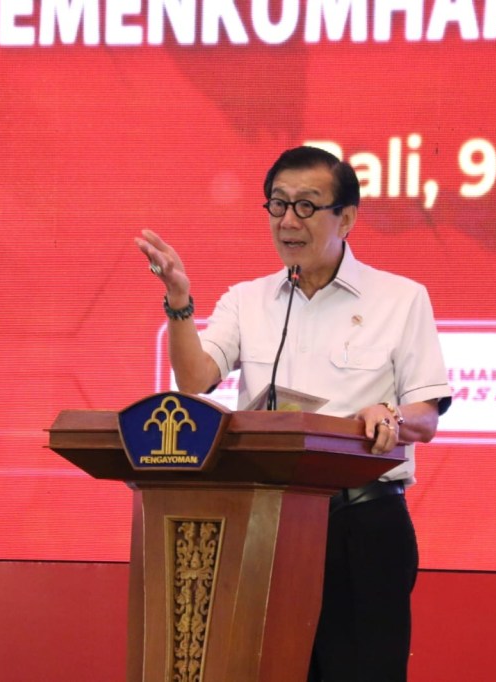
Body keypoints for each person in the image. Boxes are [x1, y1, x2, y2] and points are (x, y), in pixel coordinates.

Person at [135, 146, 452, 681]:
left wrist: (391, 416)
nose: (287, 221)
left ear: (346, 219)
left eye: (306, 206)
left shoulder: (400, 298)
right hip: (262, 526)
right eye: (278, 205)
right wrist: (180, 300)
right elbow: (194, 380)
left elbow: (426, 414)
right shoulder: (247, 300)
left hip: (361, 526)